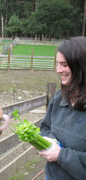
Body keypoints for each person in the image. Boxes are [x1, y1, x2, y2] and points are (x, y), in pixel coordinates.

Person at [38, 36, 86, 180]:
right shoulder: (60, 97)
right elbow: (46, 128)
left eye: (64, 65)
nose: (58, 70)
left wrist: (61, 155)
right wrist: (48, 141)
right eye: (57, 64)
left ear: (81, 66)